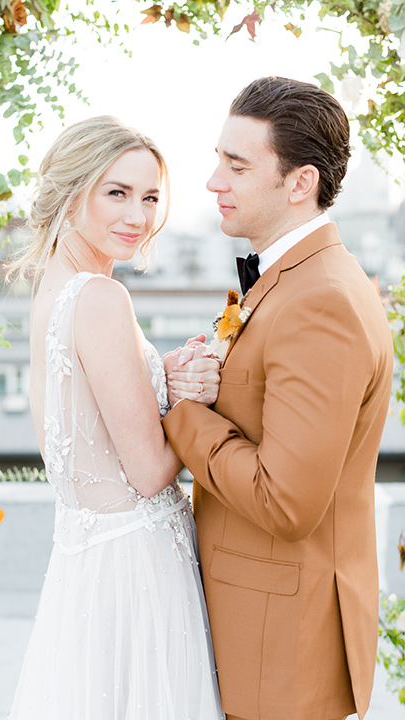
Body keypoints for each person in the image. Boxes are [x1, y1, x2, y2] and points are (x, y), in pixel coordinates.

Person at [163, 76, 394, 720]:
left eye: (236, 165)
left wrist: (185, 413)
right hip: (260, 632)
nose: (213, 181)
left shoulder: (321, 301)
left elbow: (284, 500)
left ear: (300, 183)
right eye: (218, 160)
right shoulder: (291, 281)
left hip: (281, 652)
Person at [7, 115, 224, 720]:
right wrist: (189, 399)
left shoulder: (54, 292)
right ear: (74, 192)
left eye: (151, 196)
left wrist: (162, 382)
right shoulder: (101, 297)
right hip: (137, 565)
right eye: (118, 193)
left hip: (88, 562)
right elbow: (152, 471)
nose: (139, 215)